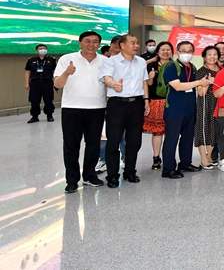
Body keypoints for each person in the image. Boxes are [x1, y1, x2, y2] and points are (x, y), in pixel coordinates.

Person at [54, 31, 107, 193]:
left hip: (97, 108)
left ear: (99, 44)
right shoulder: (66, 59)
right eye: (87, 41)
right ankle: (71, 180)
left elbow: (108, 84)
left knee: (93, 145)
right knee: (71, 146)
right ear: (79, 42)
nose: (91, 45)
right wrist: (67, 72)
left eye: (95, 41)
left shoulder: (105, 61)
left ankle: (90, 176)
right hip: (72, 108)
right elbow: (57, 84)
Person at [99, 34, 150, 188]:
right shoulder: (111, 61)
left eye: (137, 43)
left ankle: (130, 172)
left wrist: (146, 100)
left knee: (134, 141)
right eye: (132, 43)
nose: (136, 46)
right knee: (113, 140)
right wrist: (113, 85)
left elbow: (144, 82)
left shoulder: (141, 61)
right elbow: (107, 78)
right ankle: (112, 175)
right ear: (122, 45)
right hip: (117, 104)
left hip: (136, 103)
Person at [162, 41, 212, 179]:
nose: (186, 53)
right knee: (172, 139)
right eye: (183, 51)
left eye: (189, 51)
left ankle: (185, 163)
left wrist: (205, 83)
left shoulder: (192, 67)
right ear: (177, 52)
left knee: (187, 138)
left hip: (189, 108)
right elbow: (177, 86)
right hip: (174, 109)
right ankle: (168, 169)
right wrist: (199, 82)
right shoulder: (172, 66)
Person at [144, 41, 173, 170]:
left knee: (170, 132)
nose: (165, 52)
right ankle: (156, 157)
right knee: (157, 132)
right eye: (163, 50)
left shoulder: (175, 65)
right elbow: (148, 84)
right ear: (158, 52)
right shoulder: (152, 65)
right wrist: (151, 77)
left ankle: (168, 157)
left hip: (172, 102)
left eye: (168, 50)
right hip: (156, 102)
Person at [195, 46, 221, 169]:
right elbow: (201, 93)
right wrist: (208, 83)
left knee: (214, 130)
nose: (212, 57)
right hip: (205, 104)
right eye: (209, 54)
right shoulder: (201, 71)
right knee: (203, 129)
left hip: (218, 104)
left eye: (215, 54)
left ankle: (209, 156)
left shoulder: (221, 70)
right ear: (205, 56)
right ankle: (203, 159)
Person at [24, 44, 57, 123]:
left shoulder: (52, 59)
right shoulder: (31, 60)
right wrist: (26, 83)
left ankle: (49, 115)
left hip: (47, 82)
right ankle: (34, 116)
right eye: (41, 48)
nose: (43, 50)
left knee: (48, 99)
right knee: (34, 100)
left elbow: (55, 72)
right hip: (35, 83)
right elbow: (28, 72)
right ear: (37, 50)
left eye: (45, 48)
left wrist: (56, 81)